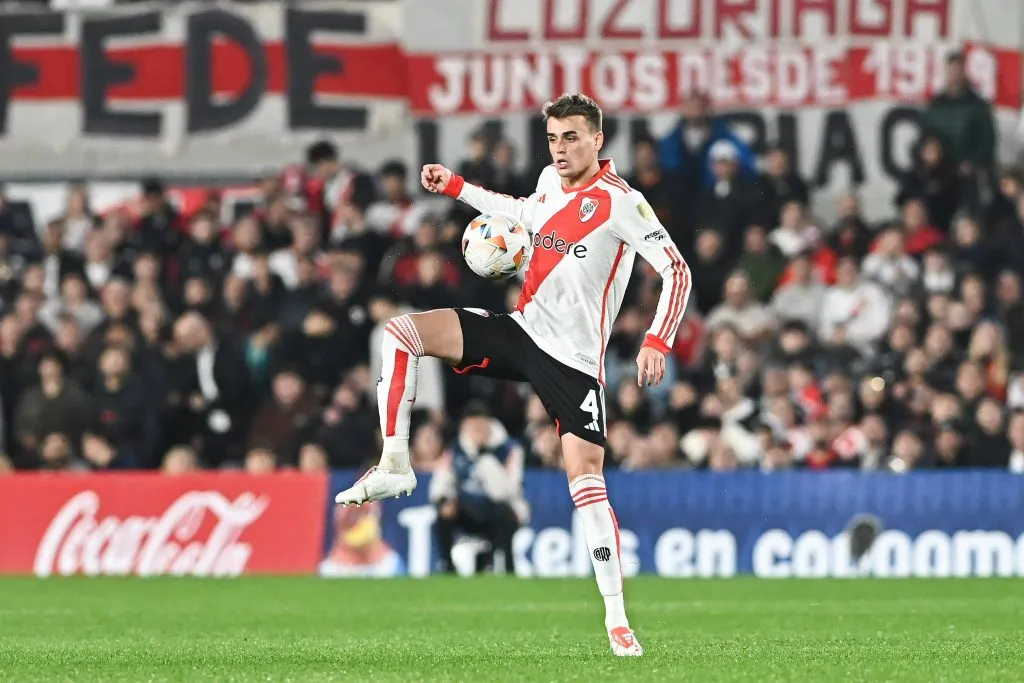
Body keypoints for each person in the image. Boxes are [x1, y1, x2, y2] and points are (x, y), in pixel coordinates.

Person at [334, 92, 693, 657]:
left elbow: (676, 270)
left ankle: (617, 620)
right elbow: (518, 210)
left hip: (574, 361)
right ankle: (395, 464)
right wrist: (455, 186)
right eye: (552, 139)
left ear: (597, 139)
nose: (561, 149)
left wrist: (656, 339)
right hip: (523, 329)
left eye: (571, 137)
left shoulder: (623, 203)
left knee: (586, 482)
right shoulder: (550, 182)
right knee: (400, 333)